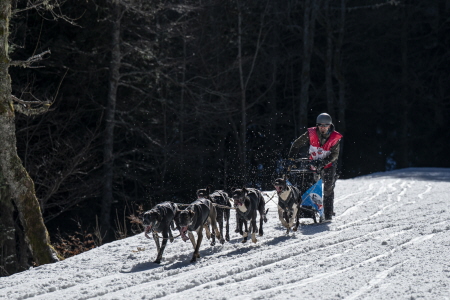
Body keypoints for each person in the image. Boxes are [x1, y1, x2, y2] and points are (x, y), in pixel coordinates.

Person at [288, 113, 343, 221]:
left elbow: (334, 155)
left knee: (328, 188)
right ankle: (308, 210)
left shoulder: (334, 138)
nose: (323, 128)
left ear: (330, 126)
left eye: (325, 126)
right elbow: (296, 144)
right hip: (313, 163)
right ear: (317, 125)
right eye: (321, 126)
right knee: (310, 187)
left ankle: (327, 213)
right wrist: (291, 159)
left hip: (328, 164)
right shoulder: (311, 133)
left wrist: (322, 163)